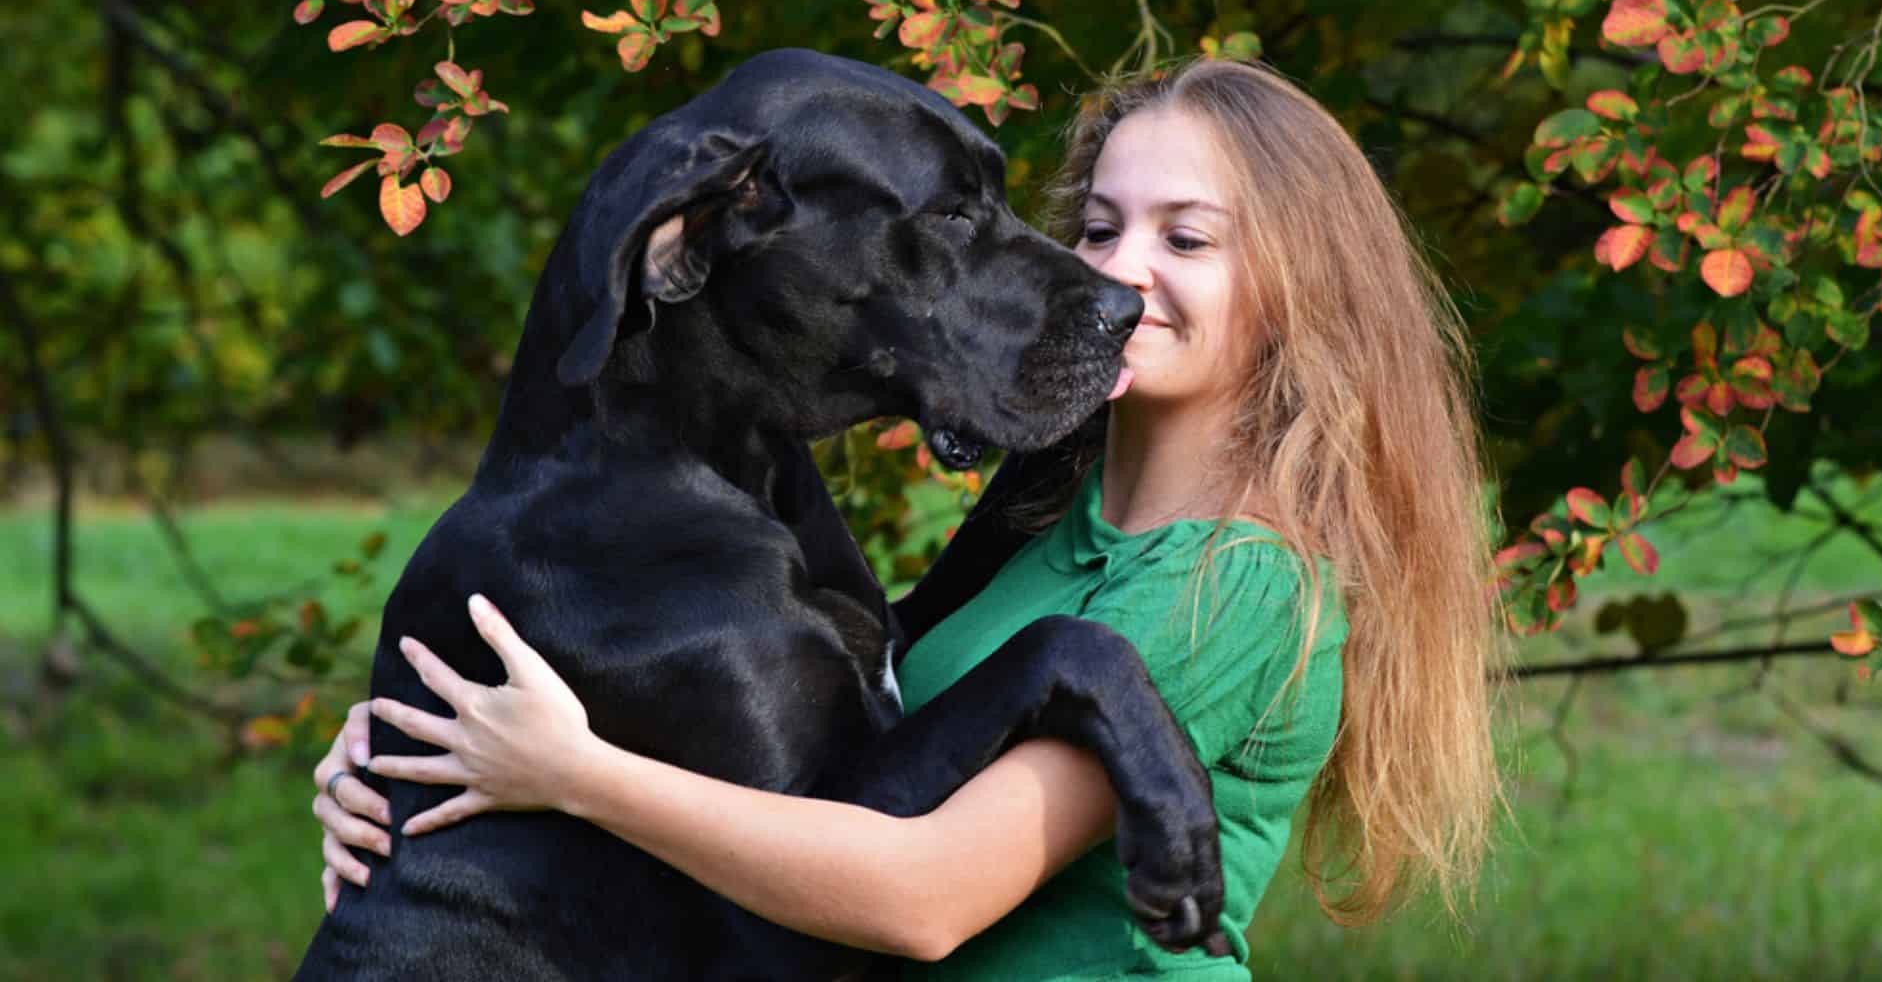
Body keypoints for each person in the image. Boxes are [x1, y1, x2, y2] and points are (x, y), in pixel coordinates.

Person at [309, 57, 1502, 977]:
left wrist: (570, 772)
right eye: (1097, 226)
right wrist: (396, 782)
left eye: (1185, 238)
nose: (1112, 277)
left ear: (1300, 291)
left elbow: (917, 897)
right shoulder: (1045, 528)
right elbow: (832, 769)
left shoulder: (1231, 583)